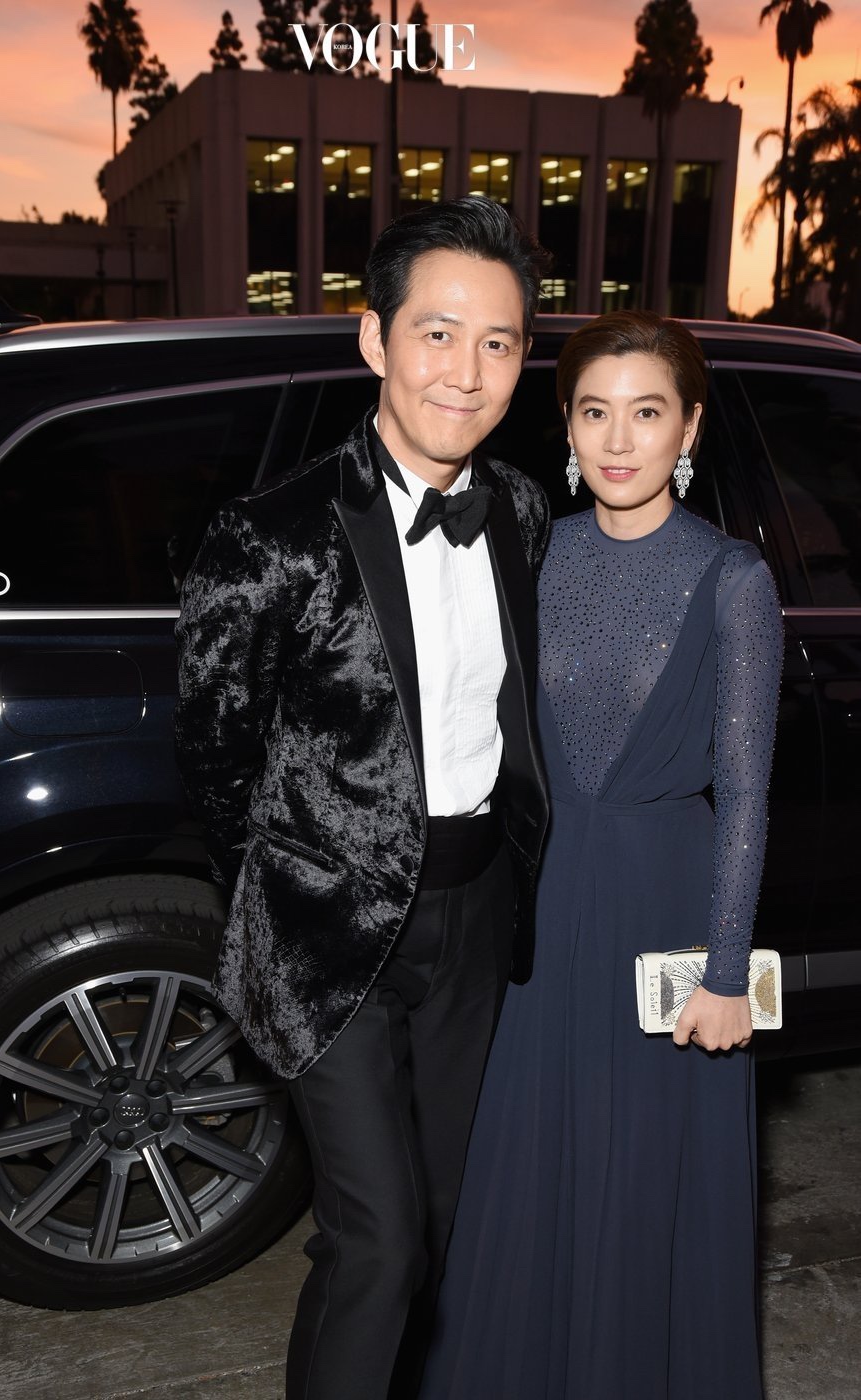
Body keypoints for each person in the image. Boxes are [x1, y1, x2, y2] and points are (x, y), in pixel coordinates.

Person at [174, 196, 552, 1400]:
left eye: (498, 342)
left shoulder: (521, 512)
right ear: (372, 338)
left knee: (433, 1222)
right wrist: (295, 882)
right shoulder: (269, 537)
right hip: (328, 937)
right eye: (437, 333)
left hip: (478, 917)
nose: (466, 371)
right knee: (379, 1243)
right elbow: (216, 760)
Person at [421, 310, 785, 1400]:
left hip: (665, 906)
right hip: (536, 912)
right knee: (529, 1170)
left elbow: (746, 795)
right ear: (567, 429)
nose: (619, 440)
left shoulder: (731, 579)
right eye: (594, 412)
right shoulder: (532, 555)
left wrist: (726, 972)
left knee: (643, 1178)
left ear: (690, 429)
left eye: (647, 412)